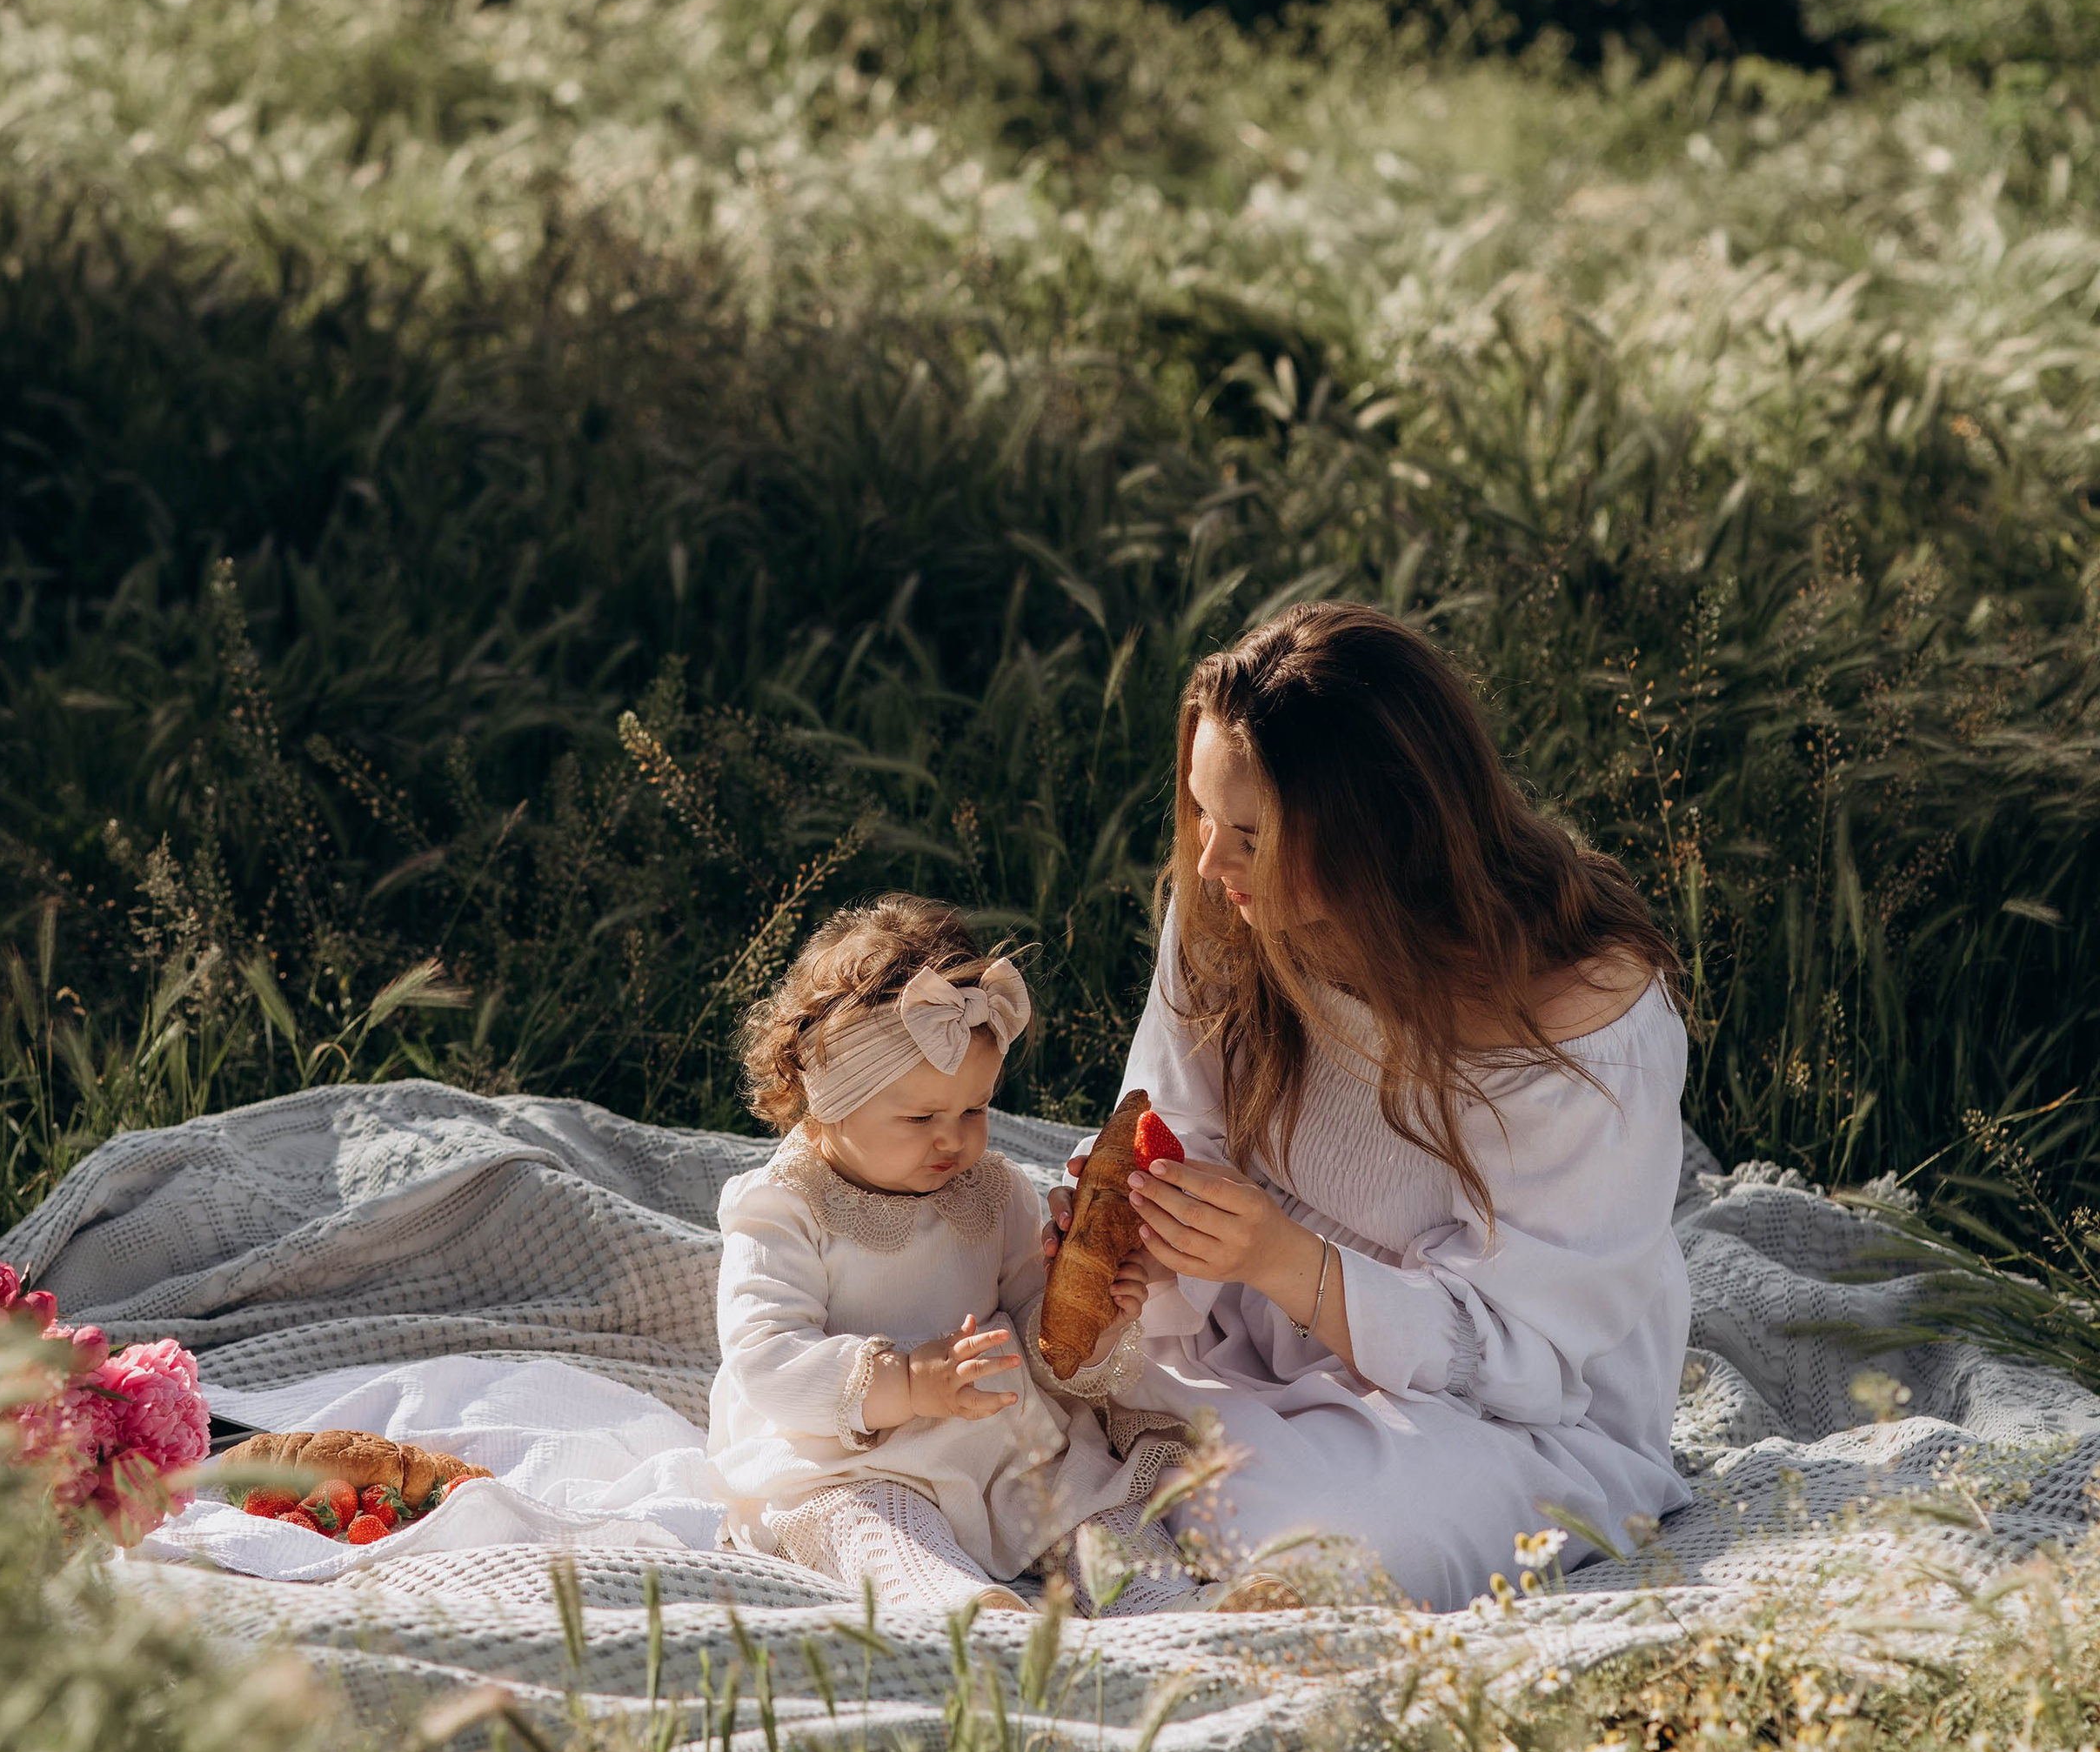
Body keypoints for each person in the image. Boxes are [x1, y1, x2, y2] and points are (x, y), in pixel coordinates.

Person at [1051, 603, 1694, 1611]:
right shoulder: (1233, 901)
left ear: (1373, 833)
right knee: (977, 1312)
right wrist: (1137, 1232)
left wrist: (1281, 1258)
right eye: (1201, 815)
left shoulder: (1580, 1021)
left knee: (1338, 1539)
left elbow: (1526, 1355)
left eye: (1250, 836)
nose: (1210, 867)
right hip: (1240, 1329)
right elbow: (1182, 1123)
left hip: (1502, 1414)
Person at [710, 897, 1194, 1618]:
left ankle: (1173, 1608)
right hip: (851, 1454)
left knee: (1099, 1506)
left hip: (997, 1443)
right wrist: (905, 1381)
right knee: (882, 1532)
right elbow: (765, 1358)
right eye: (919, 1118)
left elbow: (1036, 1327)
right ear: (828, 1102)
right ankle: (971, 1612)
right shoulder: (783, 1206)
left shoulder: (992, 1192)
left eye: (974, 1109)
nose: (954, 1140)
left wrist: (1090, 1329)